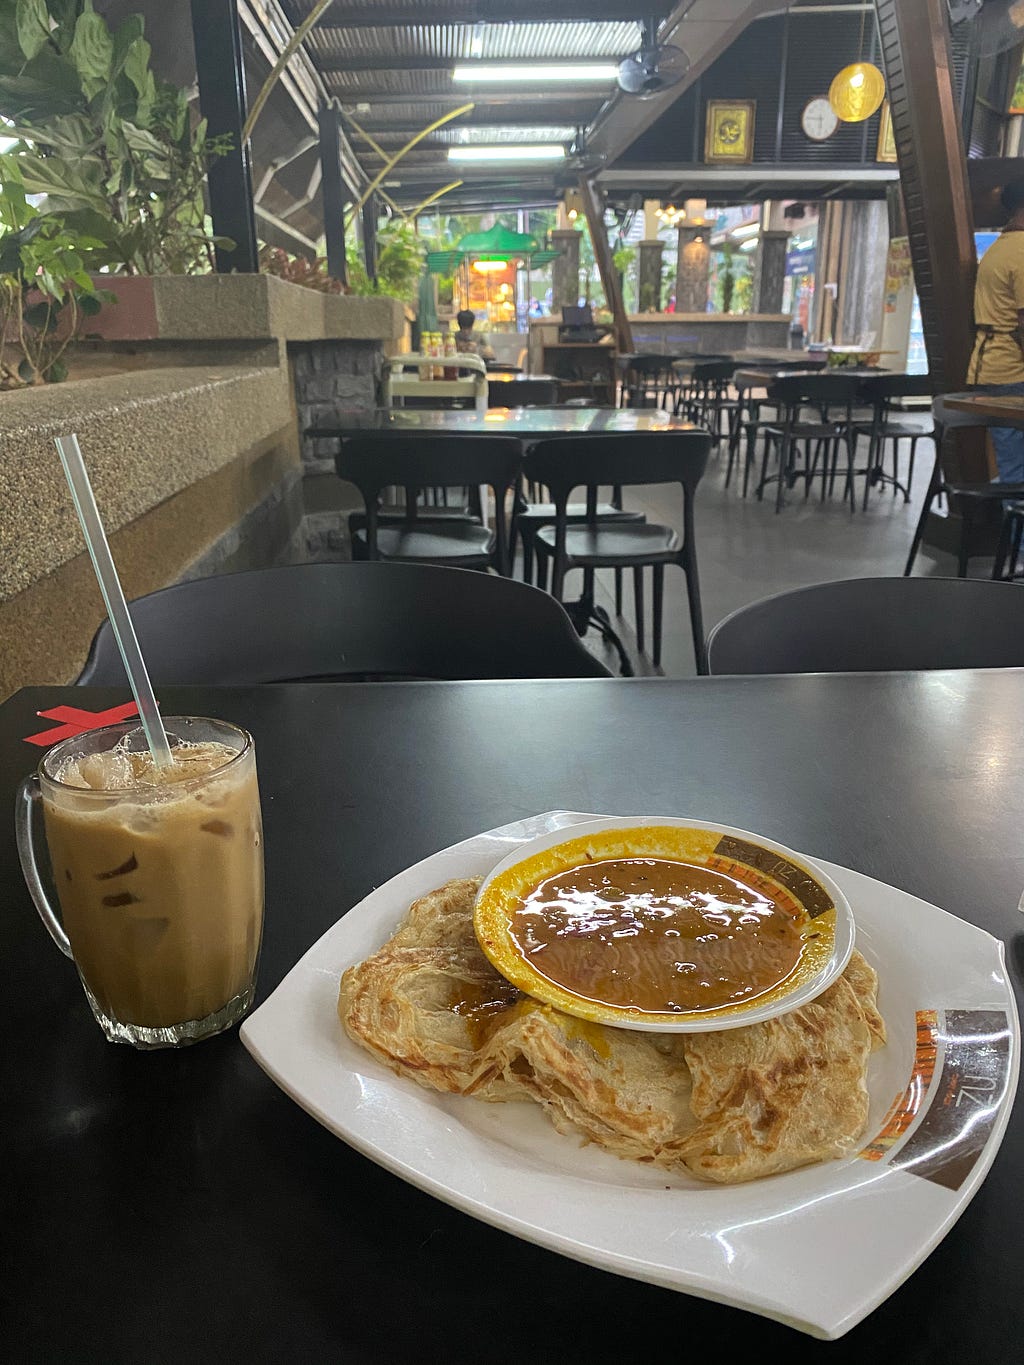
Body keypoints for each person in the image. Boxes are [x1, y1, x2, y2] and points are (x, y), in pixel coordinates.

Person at [969, 176, 1024, 483]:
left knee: (1010, 467)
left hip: (991, 367)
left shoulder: (999, 247)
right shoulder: (1022, 251)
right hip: (1013, 374)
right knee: (1017, 474)